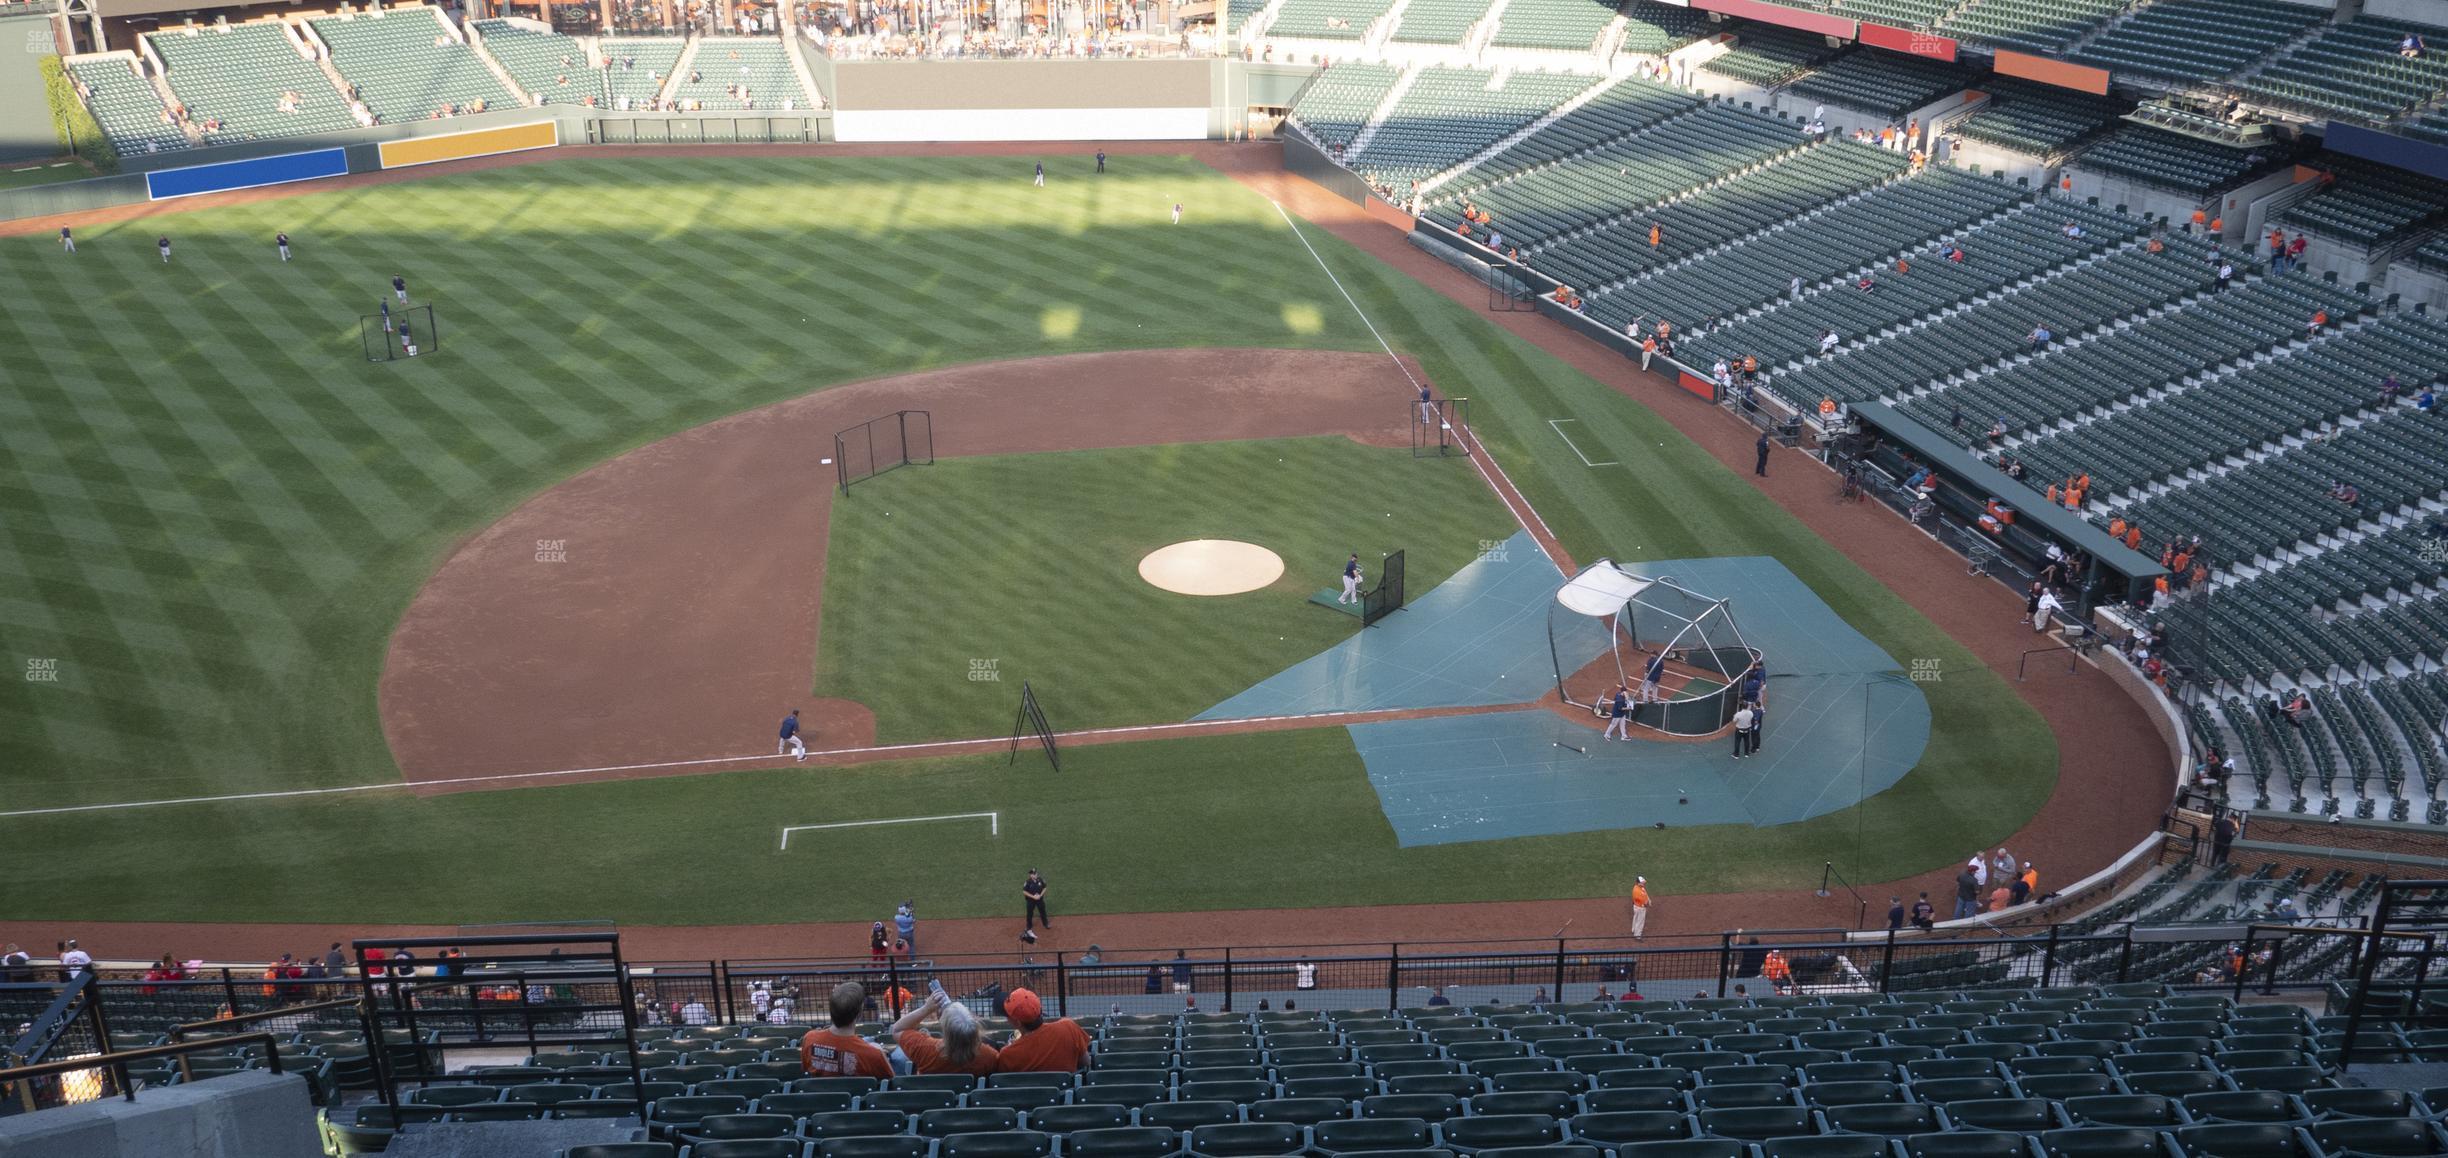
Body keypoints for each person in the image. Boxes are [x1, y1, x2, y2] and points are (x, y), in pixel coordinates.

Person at [801, 982, 893, 1076]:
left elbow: (806, 1069)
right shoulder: (874, 1055)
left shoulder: (809, 1038)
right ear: (860, 1012)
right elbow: (891, 1082)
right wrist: (879, 1052)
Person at [893, 993, 998, 1075]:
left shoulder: (925, 1048)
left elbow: (897, 1029)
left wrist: (926, 1009)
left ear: (946, 1030)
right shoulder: (990, 1056)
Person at [993, 987, 1091, 1072]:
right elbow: (1087, 1063)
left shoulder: (1007, 1054)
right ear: (1039, 1008)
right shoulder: (1068, 1027)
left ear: (1017, 1022)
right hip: (1067, 1092)